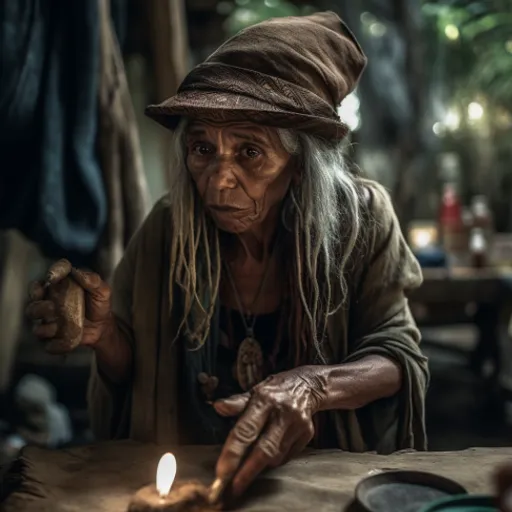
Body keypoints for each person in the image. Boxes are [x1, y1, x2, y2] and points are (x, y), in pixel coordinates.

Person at [26, 11, 428, 501]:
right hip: (194, 481)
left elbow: (397, 355)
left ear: (299, 166)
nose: (219, 180)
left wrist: (313, 385)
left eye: (250, 152)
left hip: (320, 479)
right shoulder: (168, 229)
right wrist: (104, 335)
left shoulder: (360, 224)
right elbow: (133, 373)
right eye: (202, 148)